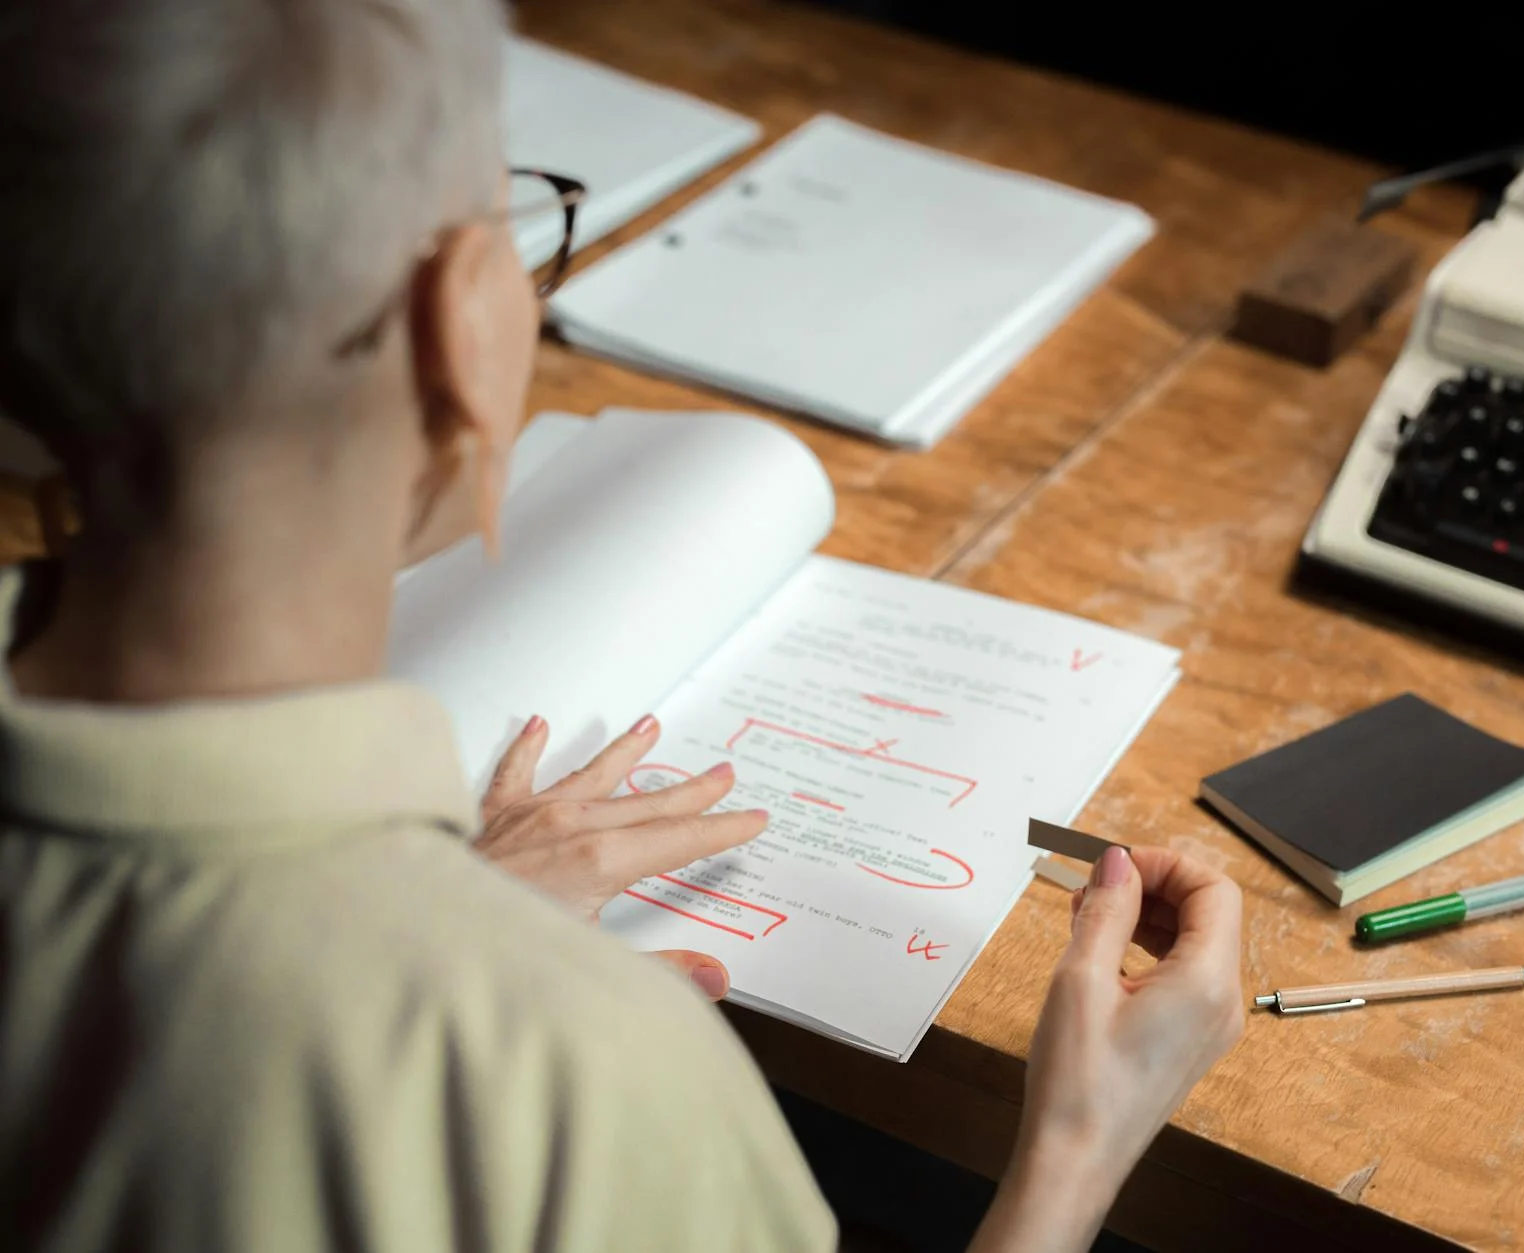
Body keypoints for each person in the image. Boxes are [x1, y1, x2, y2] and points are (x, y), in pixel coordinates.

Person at [0, 2, 1247, 1251]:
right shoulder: (573, 1071)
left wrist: (450, 916)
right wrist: (1078, 1149)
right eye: (518, 223)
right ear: (457, 329)